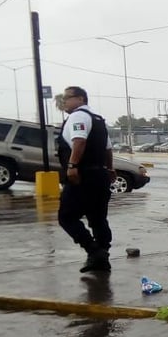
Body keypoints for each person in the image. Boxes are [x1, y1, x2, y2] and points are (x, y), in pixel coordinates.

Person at [57, 86, 115, 273]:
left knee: (66, 217)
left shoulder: (78, 116)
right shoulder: (98, 120)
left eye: (67, 97)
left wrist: (72, 166)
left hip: (83, 176)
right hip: (99, 176)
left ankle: (94, 250)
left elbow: (79, 141)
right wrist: (110, 168)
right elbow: (107, 149)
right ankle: (101, 258)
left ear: (80, 98)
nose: (64, 101)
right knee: (98, 219)